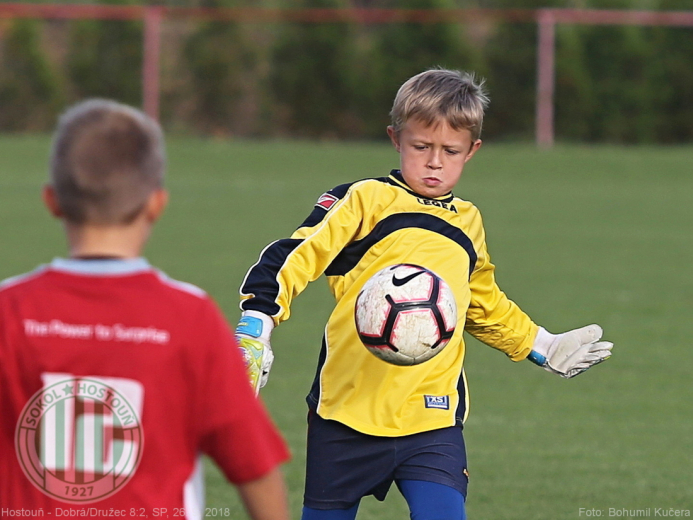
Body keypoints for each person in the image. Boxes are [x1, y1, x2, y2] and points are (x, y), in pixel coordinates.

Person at [235, 69, 613, 520]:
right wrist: (256, 326)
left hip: (432, 419)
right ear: (395, 139)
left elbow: (480, 302)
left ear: (472, 151)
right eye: (421, 147)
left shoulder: (468, 222)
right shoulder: (364, 201)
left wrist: (542, 345)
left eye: (450, 151)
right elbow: (295, 255)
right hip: (346, 414)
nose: (434, 162)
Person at [0, 99, 291, 520]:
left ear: (52, 201)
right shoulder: (191, 318)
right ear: (156, 204)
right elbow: (254, 469)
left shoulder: (9, 310)